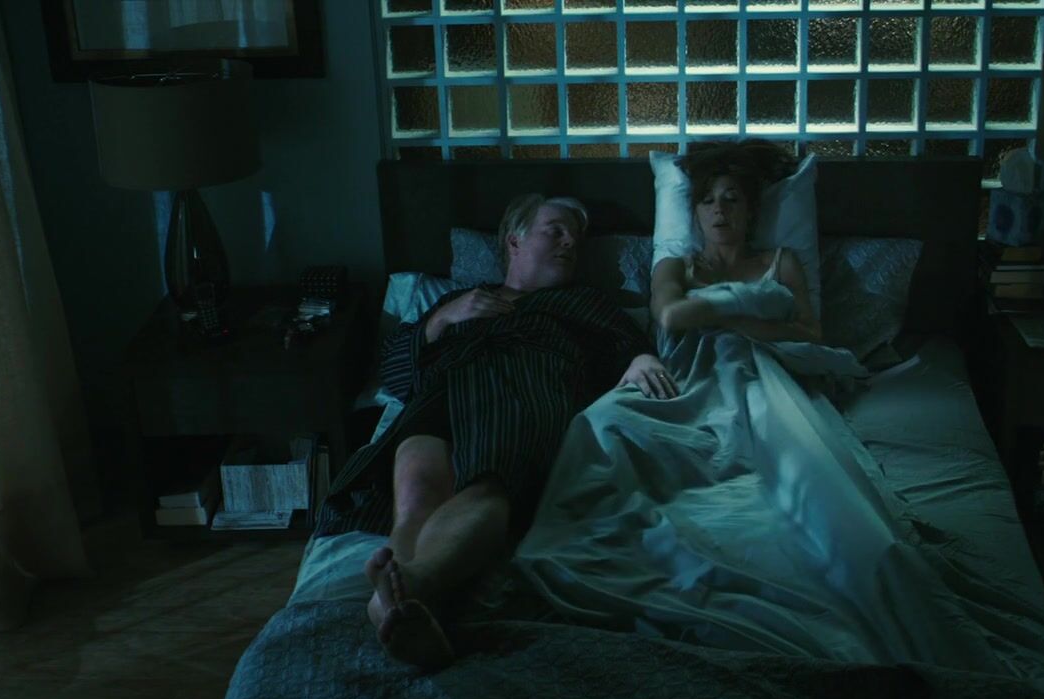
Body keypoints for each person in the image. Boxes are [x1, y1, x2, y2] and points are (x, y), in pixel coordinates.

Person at [316, 193, 676, 670]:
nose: (570, 242)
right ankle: (402, 603)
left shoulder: (586, 302)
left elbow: (629, 349)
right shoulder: (458, 302)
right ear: (514, 240)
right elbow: (396, 378)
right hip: (446, 389)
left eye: (576, 237)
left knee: (489, 479)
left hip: (524, 387)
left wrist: (643, 358)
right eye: (555, 230)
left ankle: (412, 587)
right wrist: (442, 319)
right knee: (416, 492)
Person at [650, 140, 821, 345]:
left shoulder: (781, 264)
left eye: (731, 199)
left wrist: (729, 319)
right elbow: (668, 316)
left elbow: (812, 334)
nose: (719, 209)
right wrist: (737, 309)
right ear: (696, 214)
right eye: (708, 201)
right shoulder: (674, 267)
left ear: (750, 211)